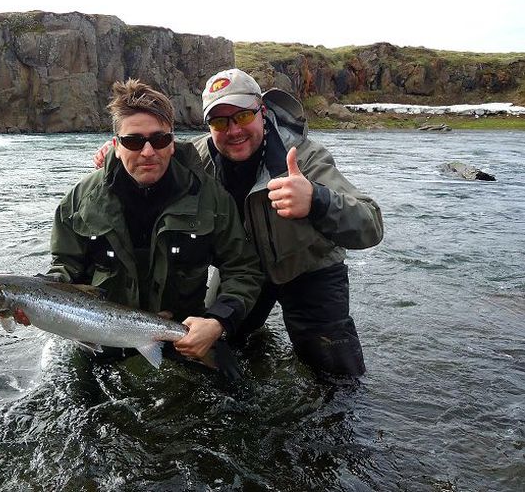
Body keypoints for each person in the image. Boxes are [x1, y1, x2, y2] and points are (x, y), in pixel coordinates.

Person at [95, 69, 384, 377]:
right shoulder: (196, 158)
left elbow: (371, 224)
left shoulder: (306, 157)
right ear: (208, 126)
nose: (233, 130)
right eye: (219, 121)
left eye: (243, 116)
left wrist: (317, 200)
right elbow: (148, 152)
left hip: (310, 270)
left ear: (262, 111)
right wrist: (113, 155)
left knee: (336, 372)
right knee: (213, 345)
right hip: (241, 270)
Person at [47, 78, 263, 367]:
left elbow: (243, 269)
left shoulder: (209, 197)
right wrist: (35, 300)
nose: (148, 151)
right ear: (116, 145)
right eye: (134, 141)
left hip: (183, 338)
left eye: (159, 139)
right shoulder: (79, 202)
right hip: (102, 342)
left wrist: (217, 322)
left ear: (172, 143)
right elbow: (64, 269)